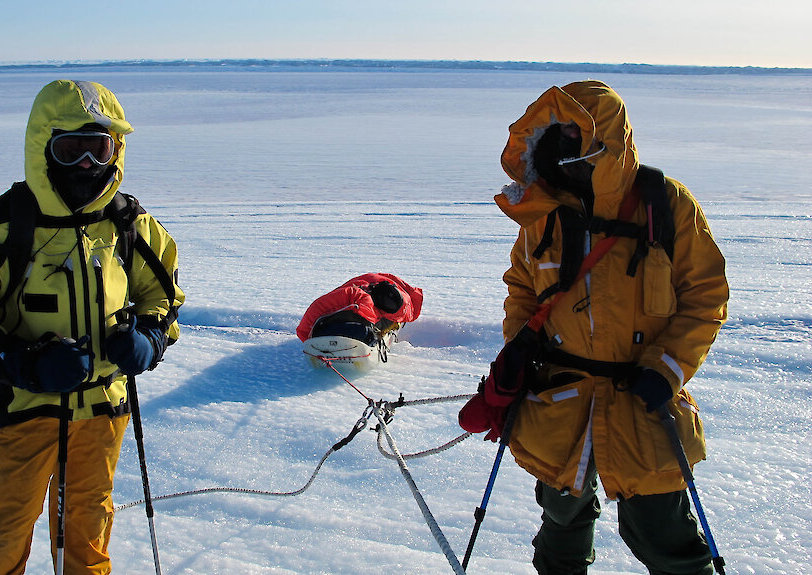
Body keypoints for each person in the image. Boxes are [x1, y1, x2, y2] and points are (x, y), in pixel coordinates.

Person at [459, 80, 728, 574]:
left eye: (575, 131)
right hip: (562, 401)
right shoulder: (541, 214)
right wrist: (522, 344)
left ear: (604, 135)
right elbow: (522, 288)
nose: (565, 145)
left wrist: (668, 367)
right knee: (561, 527)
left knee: (663, 532)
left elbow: (706, 296)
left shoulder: (665, 204)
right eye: (556, 134)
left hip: (642, 400)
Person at [0, 80, 185, 575]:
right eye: (70, 149)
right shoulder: (5, 226)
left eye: (99, 148)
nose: (86, 165)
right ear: (42, 148)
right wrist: (20, 364)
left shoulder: (127, 223)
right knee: (2, 534)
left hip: (104, 410)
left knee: (86, 532)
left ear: (117, 151)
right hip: (28, 411)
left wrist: (149, 341)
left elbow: (164, 296)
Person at [296, 272, 423, 344]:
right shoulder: (358, 298)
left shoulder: (404, 304)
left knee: (386, 320)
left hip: (382, 292)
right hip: (359, 300)